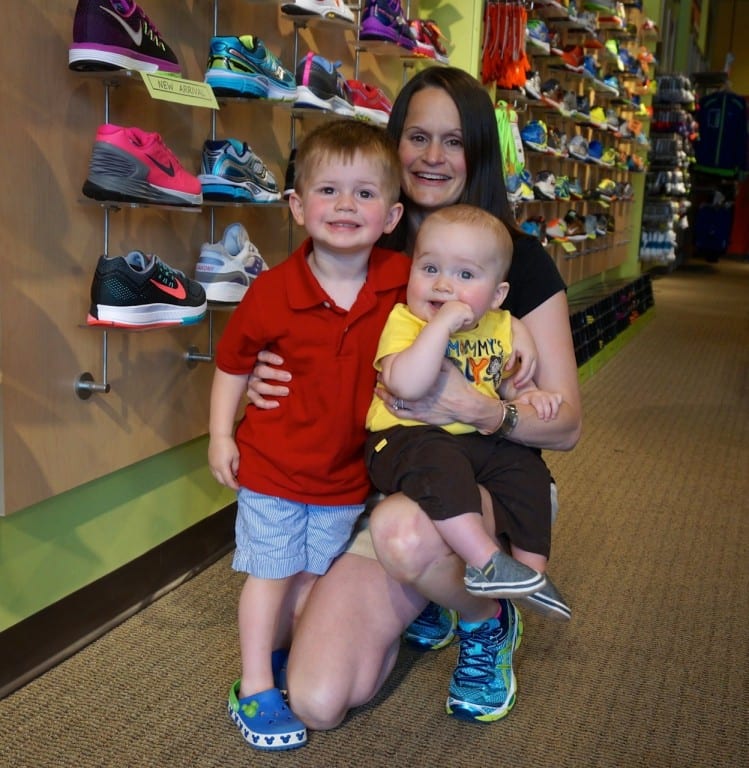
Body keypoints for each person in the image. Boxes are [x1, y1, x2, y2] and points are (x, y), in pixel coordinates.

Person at [246, 66, 582, 730]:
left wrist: (486, 410)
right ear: (393, 143)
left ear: (478, 152)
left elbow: (565, 425)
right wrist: (263, 375)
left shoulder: (518, 260)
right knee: (315, 699)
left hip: (483, 479)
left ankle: (486, 618)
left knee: (405, 532)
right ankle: (433, 592)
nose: (432, 157)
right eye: (417, 137)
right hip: (369, 483)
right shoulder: (356, 239)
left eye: (453, 142)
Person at [208, 119, 408, 751]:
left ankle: (295, 661)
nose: (345, 206)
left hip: (346, 478)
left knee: (314, 584)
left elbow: (463, 321)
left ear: (393, 214)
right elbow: (233, 364)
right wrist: (220, 436)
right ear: (295, 206)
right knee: (269, 575)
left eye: (365, 194)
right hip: (271, 469)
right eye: (327, 190)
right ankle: (253, 687)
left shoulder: (404, 281)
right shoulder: (270, 291)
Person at [365, 203, 564, 606]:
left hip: (474, 440)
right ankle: (487, 562)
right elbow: (405, 383)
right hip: (406, 439)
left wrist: (529, 395)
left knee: (527, 470)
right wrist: (440, 326)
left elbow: (501, 386)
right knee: (440, 464)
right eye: (430, 269)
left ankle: (531, 574)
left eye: (465, 275)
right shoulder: (407, 322)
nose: (443, 286)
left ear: (497, 294)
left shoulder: (499, 327)